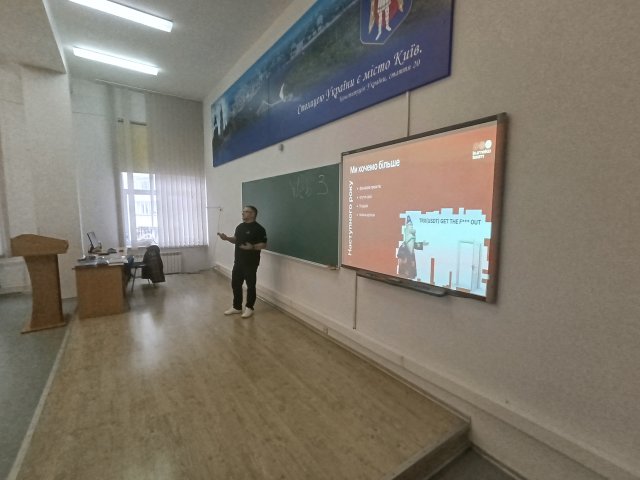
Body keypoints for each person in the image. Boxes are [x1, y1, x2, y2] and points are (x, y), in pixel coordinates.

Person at [217, 205, 267, 318]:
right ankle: (237, 307)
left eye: (246, 211)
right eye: (243, 211)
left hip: (251, 262)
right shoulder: (240, 227)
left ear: (253, 214)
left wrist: (252, 247)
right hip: (238, 261)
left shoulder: (259, 229)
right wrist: (227, 238)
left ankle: (249, 307)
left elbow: (264, 244)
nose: (243, 213)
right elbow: (236, 239)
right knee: (236, 284)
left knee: (250, 285)